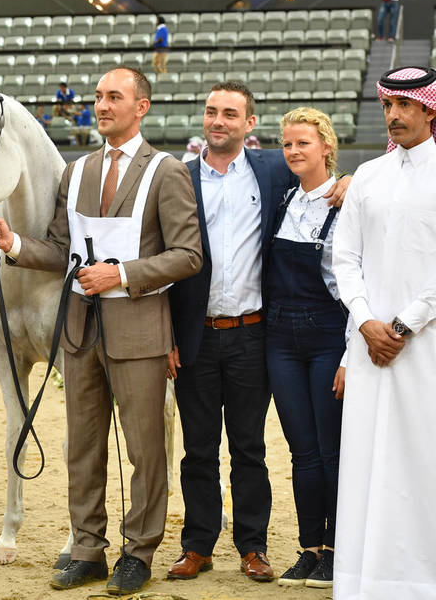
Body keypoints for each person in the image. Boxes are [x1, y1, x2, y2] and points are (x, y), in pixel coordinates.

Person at [0, 67, 203, 595]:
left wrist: (121, 274)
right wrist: (14, 243)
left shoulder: (166, 171)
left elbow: (187, 254)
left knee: (145, 447)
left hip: (139, 329)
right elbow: (60, 250)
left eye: (114, 97)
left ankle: (139, 550)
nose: (102, 105)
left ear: (141, 106)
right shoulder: (75, 172)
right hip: (78, 328)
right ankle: (87, 548)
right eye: (99, 97)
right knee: (82, 444)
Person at [166, 81, 349, 585]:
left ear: (250, 125)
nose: (218, 120)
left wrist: (350, 182)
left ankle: (253, 546)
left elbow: (322, 175)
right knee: (198, 448)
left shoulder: (271, 172)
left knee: (250, 447)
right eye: (211, 112)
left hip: (254, 335)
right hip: (194, 335)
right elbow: (164, 260)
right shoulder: (178, 178)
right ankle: (197, 545)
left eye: (230, 113)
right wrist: (168, 336)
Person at [332, 65, 436, 599]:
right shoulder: (369, 174)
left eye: (405, 106)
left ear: (430, 109)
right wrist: (367, 321)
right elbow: (343, 257)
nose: (393, 116)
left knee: (422, 458)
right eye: (388, 106)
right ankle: (363, 581)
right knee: (368, 460)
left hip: (426, 347)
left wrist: (403, 324)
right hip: (369, 342)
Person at [265, 108, 347, 589]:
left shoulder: (347, 202)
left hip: (326, 336)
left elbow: (358, 282)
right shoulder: (283, 200)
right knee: (301, 451)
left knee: (331, 451)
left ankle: (337, 550)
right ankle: (309, 548)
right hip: (280, 337)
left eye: (304, 143)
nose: (294, 151)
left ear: (326, 148)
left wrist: (348, 354)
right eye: (288, 144)